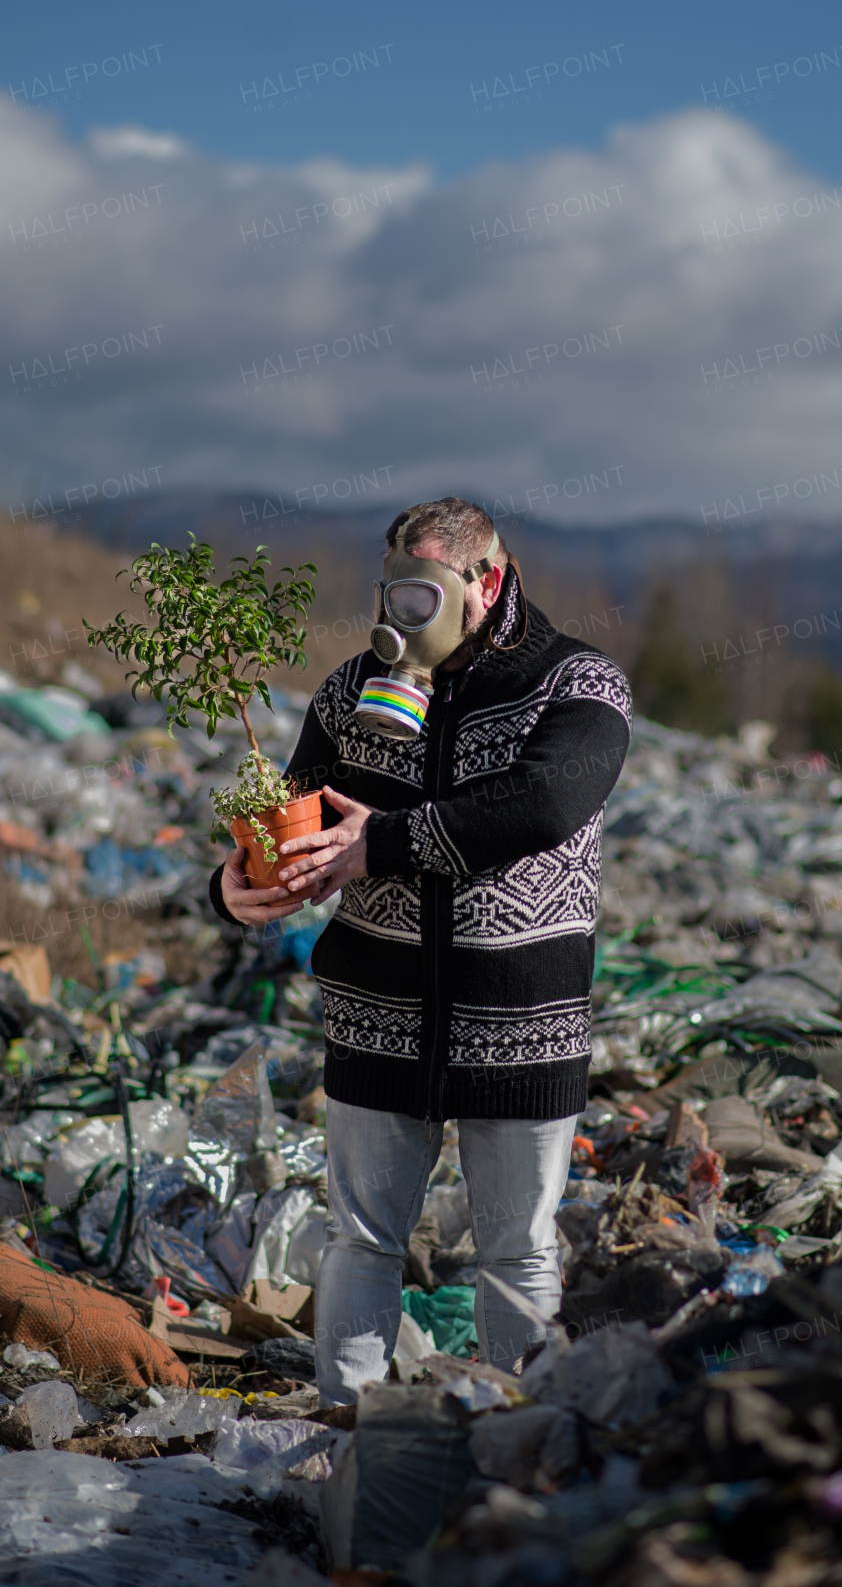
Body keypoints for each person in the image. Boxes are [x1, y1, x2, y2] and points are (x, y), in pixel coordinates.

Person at [210, 497, 632, 1404]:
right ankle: (343, 1435)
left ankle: (519, 1447)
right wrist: (237, 884)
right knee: (361, 1238)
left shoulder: (578, 685)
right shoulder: (351, 690)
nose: (405, 612)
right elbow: (295, 810)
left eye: (425, 591)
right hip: (376, 1011)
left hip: (522, 1021)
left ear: (485, 578)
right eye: (394, 589)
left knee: (518, 1250)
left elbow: (544, 805)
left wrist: (383, 843)